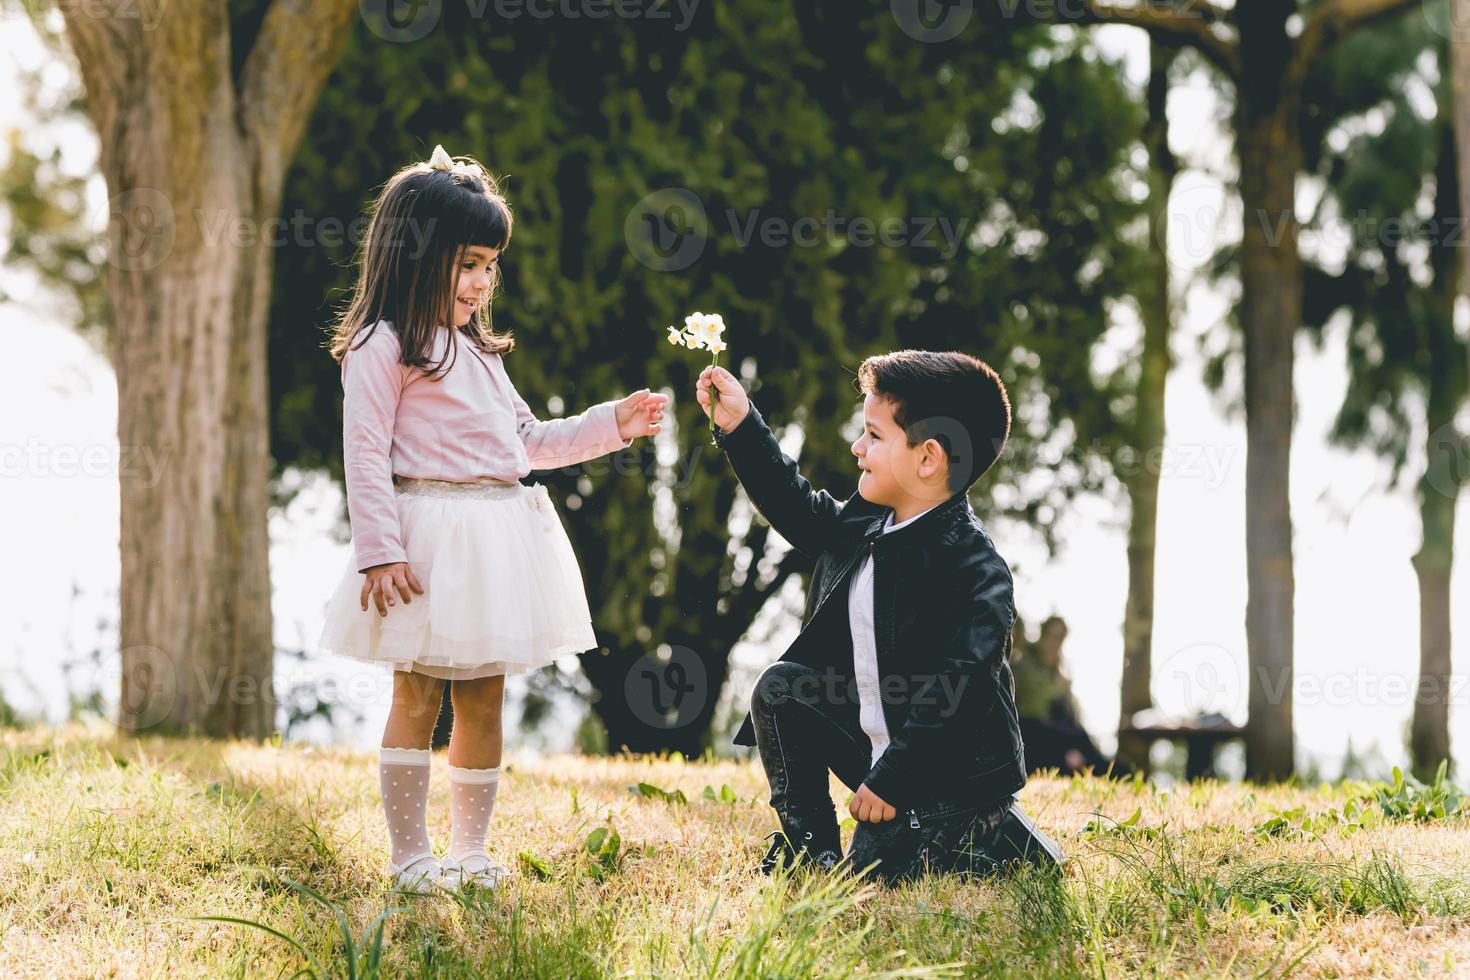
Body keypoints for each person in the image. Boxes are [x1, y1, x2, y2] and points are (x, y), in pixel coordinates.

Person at [317, 146, 668, 894]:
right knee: (416, 692)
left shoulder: (478, 351)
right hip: (425, 541)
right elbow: (365, 453)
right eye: (467, 263)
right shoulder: (385, 346)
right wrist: (379, 551)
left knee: (484, 695)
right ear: (415, 257)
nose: (481, 283)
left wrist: (615, 423)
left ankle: (470, 852)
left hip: (496, 538)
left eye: (489, 266)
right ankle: (411, 856)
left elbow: (528, 443)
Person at [696, 350, 1061, 886]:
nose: (856, 447)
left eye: (873, 434)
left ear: (927, 458)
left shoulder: (975, 569)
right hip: (878, 752)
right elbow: (796, 507)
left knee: (874, 876)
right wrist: (741, 425)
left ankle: (992, 841)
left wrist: (893, 781)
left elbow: (956, 693)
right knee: (780, 689)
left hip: (945, 779)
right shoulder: (867, 521)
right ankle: (809, 848)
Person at [1012, 616, 1110, 775]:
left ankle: (1099, 763)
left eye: (1060, 638)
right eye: (1053, 636)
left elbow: (1069, 715)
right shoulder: (1024, 665)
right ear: (1043, 635)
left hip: (1056, 732)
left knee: (1078, 736)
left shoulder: (1058, 672)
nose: (1055, 643)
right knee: (1075, 738)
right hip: (1032, 729)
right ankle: (1099, 764)